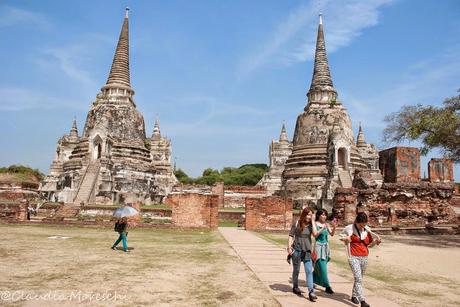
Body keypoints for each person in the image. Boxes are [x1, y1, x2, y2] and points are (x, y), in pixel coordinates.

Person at [340, 212, 381, 307]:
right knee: (358, 278)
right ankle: (362, 301)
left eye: (364, 224)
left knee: (359, 278)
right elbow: (341, 237)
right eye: (361, 224)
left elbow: (369, 245)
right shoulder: (349, 228)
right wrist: (346, 239)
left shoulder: (367, 230)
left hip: (364, 256)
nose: (362, 226)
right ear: (357, 222)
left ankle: (354, 295)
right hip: (353, 256)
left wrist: (376, 242)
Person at [287, 208, 317, 302]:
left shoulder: (311, 225)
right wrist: (289, 247)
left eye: (311, 215)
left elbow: (315, 234)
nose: (309, 216)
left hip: (307, 251)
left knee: (309, 271)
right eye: (308, 214)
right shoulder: (297, 223)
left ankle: (311, 291)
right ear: (304, 214)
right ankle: (295, 287)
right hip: (297, 250)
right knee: (296, 270)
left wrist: (313, 221)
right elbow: (291, 236)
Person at [312, 209, 337, 294]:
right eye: (322, 214)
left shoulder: (326, 224)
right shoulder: (315, 224)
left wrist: (334, 226)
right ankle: (327, 286)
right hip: (318, 247)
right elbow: (315, 234)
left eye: (325, 215)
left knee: (319, 267)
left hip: (326, 247)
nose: (324, 216)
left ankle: (311, 278)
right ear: (318, 215)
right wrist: (322, 228)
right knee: (323, 268)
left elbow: (332, 234)